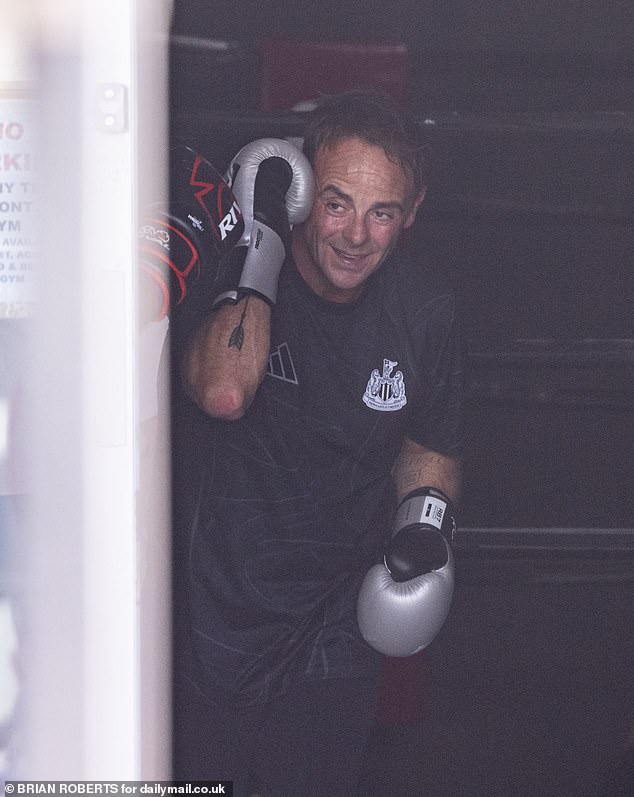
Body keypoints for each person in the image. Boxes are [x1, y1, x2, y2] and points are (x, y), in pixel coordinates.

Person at [169, 91, 464, 796]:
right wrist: (264, 235)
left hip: (337, 633)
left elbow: (431, 445)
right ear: (303, 194)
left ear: (411, 213)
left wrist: (425, 522)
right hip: (218, 621)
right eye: (335, 204)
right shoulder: (240, 278)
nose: (357, 234)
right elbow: (224, 390)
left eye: (382, 212)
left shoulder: (425, 312)